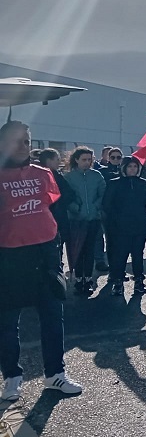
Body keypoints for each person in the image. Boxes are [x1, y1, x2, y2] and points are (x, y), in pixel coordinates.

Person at [0, 121, 83, 400]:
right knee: (7, 321)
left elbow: (52, 202)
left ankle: (55, 374)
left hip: (45, 254)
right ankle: (12, 377)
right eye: (17, 141)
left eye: (27, 140)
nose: (23, 146)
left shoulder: (43, 173)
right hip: (9, 256)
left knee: (52, 315)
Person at [103, 156, 146, 295]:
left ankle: (139, 280)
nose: (132, 169)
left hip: (140, 223)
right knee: (120, 254)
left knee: (138, 253)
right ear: (124, 168)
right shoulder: (114, 183)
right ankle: (118, 281)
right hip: (120, 225)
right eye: (129, 166)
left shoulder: (144, 183)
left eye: (135, 167)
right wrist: (113, 222)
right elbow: (107, 204)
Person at [63, 146, 106, 294]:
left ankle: (88, 278)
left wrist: (96, 206)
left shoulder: (97, 176)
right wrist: (75, 208)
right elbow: (65, 196)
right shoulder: (69, 177)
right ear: (76, 160)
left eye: (89, 159)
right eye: (84, 159)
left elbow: (103, 194)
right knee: (77, 250)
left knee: (89, 250)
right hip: (76, 220)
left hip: (93, 219)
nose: (87, 162)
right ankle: (78, 278)